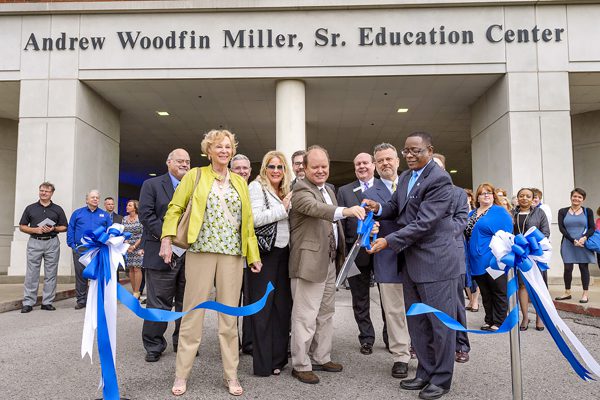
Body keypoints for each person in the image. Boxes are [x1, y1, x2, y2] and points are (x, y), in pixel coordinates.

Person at [161, 130, 262, 397]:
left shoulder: (240, 182)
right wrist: (166, 239)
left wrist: (253, 256)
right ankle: (181, 374)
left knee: (229, 319)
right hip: (200, 251)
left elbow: (247, 223)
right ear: (209, 151)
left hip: (232, 255)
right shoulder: (195, 175)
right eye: (219, 146)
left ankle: (231, 375)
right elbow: (175, 208)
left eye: (228, 147)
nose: (224, 151)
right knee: (192, 315)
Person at [365, 132, 460, 400]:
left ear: (429, 150)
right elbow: (395, 207)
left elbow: (424, 223)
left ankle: (441, 379)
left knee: (439, 325)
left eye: (415, 150)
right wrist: (378, 208)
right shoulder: (407, 177)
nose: (409, 155)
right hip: (411, 263)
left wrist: (388, 241)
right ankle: (425, 372)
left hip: (436, 263)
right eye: (406, 150)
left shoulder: (439, 179)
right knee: (418, 323)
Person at [289, 145, 365, 385]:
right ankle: (301, 365)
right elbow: (317, 209)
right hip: (309, 263)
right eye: (315, 167)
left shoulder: (329, 189)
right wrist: (347, 210)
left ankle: (321, 357)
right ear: (305, 168)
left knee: (326, 313)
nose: (320, 170)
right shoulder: (300, 189)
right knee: (305, 316)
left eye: (324, 166)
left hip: (330, 261)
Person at [363, 143, 410, 378]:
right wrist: (371, 230)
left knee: (418, 309)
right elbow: (366, 225)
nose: (385, 163)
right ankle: (401, 355)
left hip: (416, 257)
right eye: (380, 160)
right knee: (393, 311)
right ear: (375, 165)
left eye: (389, 159)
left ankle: (421, 350)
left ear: (397, 161)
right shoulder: (370, 194)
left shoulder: (412, 184)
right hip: (387, 257)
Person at [139, 148, 190, 363]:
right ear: (168, 162)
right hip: (161, 252)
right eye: (180, 161)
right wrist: (169, 236)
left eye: (187, 161)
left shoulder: (194, 187)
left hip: (189, 255)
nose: (184, 164)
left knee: (186, 302)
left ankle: (183, 343)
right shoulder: (151, 185)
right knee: (158, 303)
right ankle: (154, 345)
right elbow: (146, 215)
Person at [247, 150, 293, 376]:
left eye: (280, 167)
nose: (276, 171)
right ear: (264, 169)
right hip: (264, 254)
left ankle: (279, 359)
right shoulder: (256, 187)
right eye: (271, 166)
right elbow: (254, 219)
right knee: (263, 309)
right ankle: (263, 364)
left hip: (285, 254)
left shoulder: (286, 189)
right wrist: (282, 208)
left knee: (282, 308)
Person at [337, 152, 386, 355]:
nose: (362, 166)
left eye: (365, 163)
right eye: (358, 164)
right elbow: (340, 224)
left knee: (388, 298)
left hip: (383, 250)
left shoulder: (385, 186)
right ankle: (366, 338)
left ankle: (391, 337)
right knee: (359, 298)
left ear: (373, 165)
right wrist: (342, 254)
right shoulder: (344, 191)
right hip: (355, 251)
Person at [432, 154, 470, 363]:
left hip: (451, 253)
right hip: (427, 257)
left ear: (445, 169)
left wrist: (436, 236)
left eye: (437, 166)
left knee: (455, 303)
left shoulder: (458, 193)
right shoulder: (421, 192)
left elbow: (461, 221)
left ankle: (461, 345)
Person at [464, 183, 512, 332]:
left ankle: (500, 321)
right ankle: (489, 319)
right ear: (477, 197)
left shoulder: (499, 211)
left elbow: (506, 235)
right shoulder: (472, 214)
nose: (486, 195)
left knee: (498, 290)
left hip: (493, 259)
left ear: (493, 196)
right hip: (476, 260)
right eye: (482, 193)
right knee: (485, 292)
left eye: (489, 193)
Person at [19, 182, 68, 313]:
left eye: (46, 191)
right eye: (41, 190)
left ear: (52, 193)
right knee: (31, 273)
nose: (43, 193)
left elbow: (64, 226)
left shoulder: (58, 209)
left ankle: (47, 302)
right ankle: (28, 302)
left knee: (51, 273)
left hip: (52, 242)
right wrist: (35, 230)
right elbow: (22, 226)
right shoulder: (30, 208)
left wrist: (53, 228)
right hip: (35, 242)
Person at [511, 188, 550, 331]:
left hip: (535, 254)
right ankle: (525, 317)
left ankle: (540, 318)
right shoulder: (512, 213)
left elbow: (545, 232)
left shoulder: (539, 213)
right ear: (518, 198)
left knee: (538, 285)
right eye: (521, 196)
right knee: (522, 286)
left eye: (528, 196)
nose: (524, 198)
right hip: (519, 254)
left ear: (533, 199)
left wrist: (530, 245)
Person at [67, 189, 111, 309]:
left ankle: (97, 299)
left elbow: (109, 231)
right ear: (87, 200)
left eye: (97, 197)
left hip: (98, 249)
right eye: (92, 197)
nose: (95, 199)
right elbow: (71, 229)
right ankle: (81, 300)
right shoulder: (77, 213)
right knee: (81, 274)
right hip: (80, 249)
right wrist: (72, 244)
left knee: (98, 274)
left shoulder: (105, 215)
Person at [555, 188, 597, 303]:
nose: (576, 199)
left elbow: (592, 228)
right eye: (575, 196)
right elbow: (561, 228)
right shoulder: (562, 211)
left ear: (583, 199)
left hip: (583, 243)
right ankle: (567, 292)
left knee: (583, 267)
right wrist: (572, 240)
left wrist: (584, 238)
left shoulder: (587, 211)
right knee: (568, 268)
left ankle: (585, 294)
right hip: (568, 242)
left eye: (579, 197)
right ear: (571, 197)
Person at [230, 153, 253, 354]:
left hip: (251, 257)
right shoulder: (225, 191)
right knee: (231, 303)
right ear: (231, 170)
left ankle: (249, 343)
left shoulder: (255, 191)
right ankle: (231, 343)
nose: (242, 171)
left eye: (245, 168)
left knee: (250, 302)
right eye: (237, 168)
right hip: (230, 258)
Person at [463, 188, 480, 313]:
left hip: (474, 245)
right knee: (466, 273)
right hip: (463, 246)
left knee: (475, 274)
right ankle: (470, 299)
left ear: (470, 198)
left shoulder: (475, 212)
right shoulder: (457, 210)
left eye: (467, 196)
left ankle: (475, 301)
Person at [123, 200, 144, 300]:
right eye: (127, 205)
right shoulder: (124, 219)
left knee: (137, 268)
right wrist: (127, 245)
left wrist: (134, 246)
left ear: (135, 208)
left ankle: (137, 291)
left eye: (130, 205)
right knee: (130, 268)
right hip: (128, 246)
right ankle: (134, 291)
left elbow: (143, 234)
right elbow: (122, 232)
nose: (127, 206)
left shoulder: (140, 218)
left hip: (138, 246)